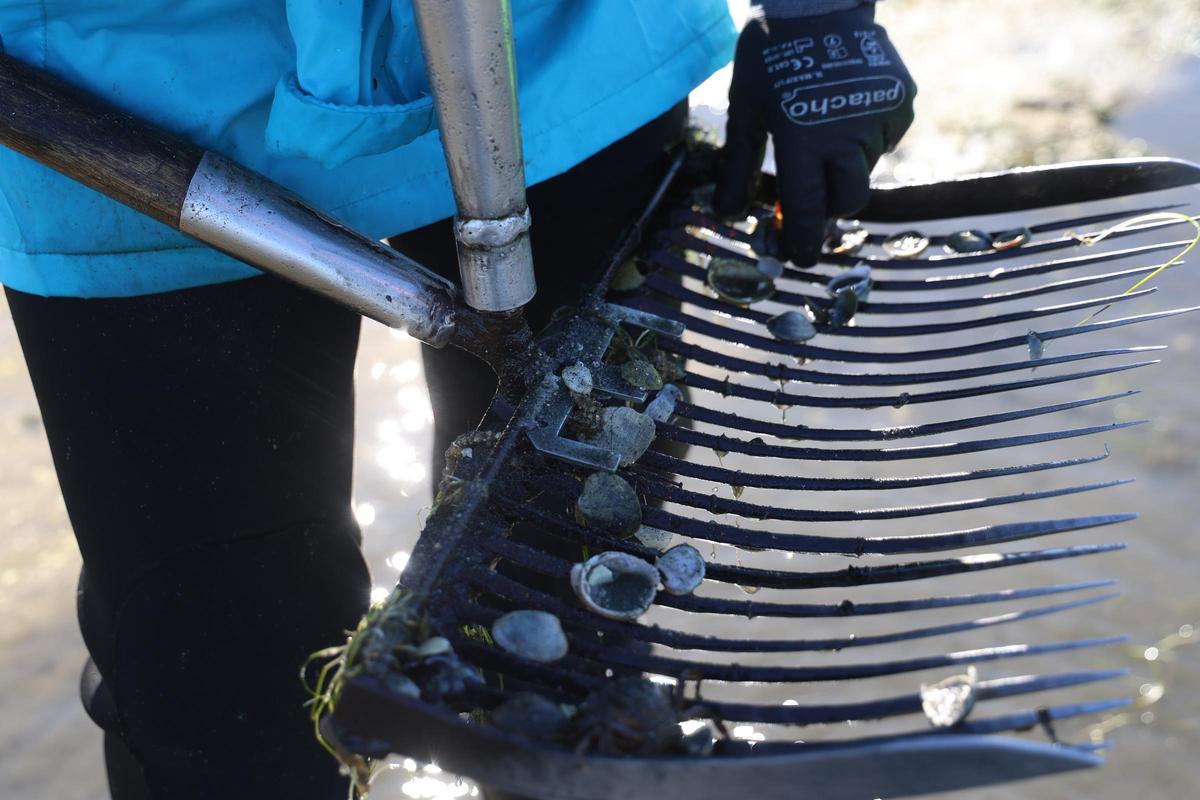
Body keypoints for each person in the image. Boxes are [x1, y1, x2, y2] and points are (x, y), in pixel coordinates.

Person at [0, 1, 914, 797]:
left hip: (551, 55)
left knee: (562, 655)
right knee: (220, 693)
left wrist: (818, 16)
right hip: (115, 89)